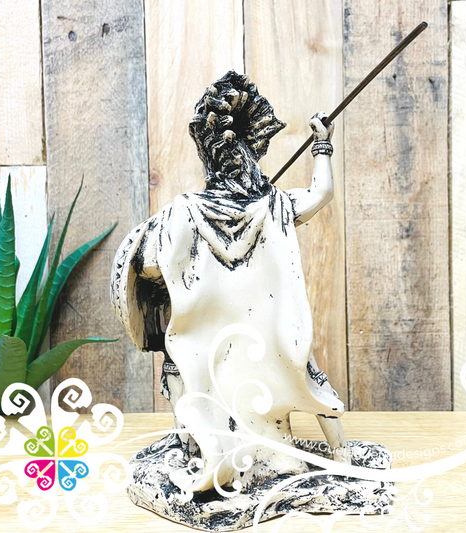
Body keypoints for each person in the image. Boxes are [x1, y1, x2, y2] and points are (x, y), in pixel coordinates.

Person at [110, 71, 350, 494]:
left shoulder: (186, 211)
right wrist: (322, 145)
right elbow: (321, 193)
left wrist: (159, 272)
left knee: (184, 368)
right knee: (305, 374)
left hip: (214, 335)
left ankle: (192, 445)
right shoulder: (273, 205)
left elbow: (147, 264)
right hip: (268, 331)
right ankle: (340, 453)